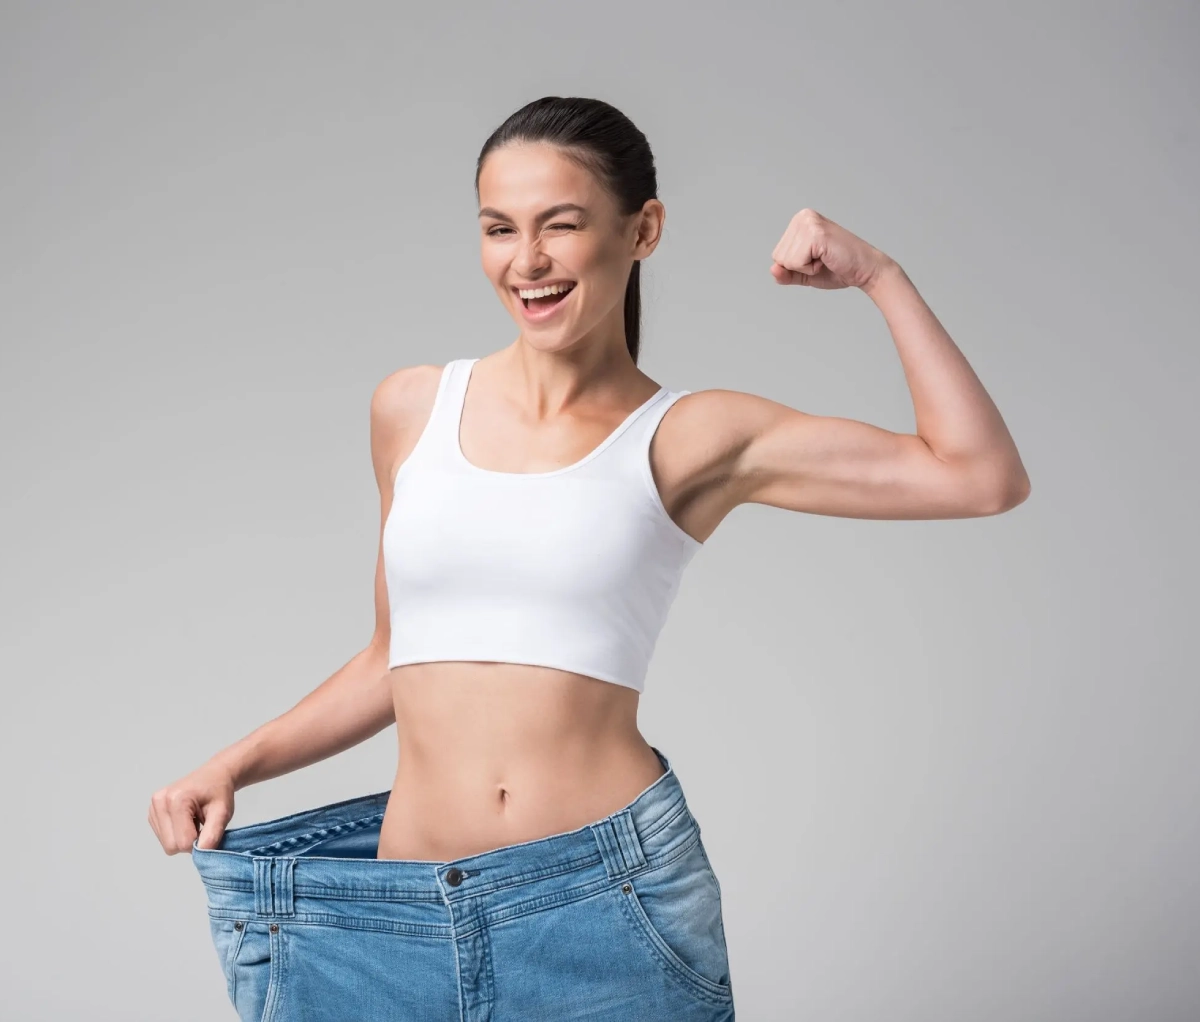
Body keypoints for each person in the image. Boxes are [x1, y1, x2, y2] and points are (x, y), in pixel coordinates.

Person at [148, 95, 1030, 1022]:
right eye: (499, 229)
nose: (525, 262)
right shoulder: (411, 408)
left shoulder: (693, 437)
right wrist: (234, 764)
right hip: (391, 916)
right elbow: (390, 659)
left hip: (600, 910)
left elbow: (979, 476)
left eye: (559, 226)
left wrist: (881, 277)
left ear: (641, 229)